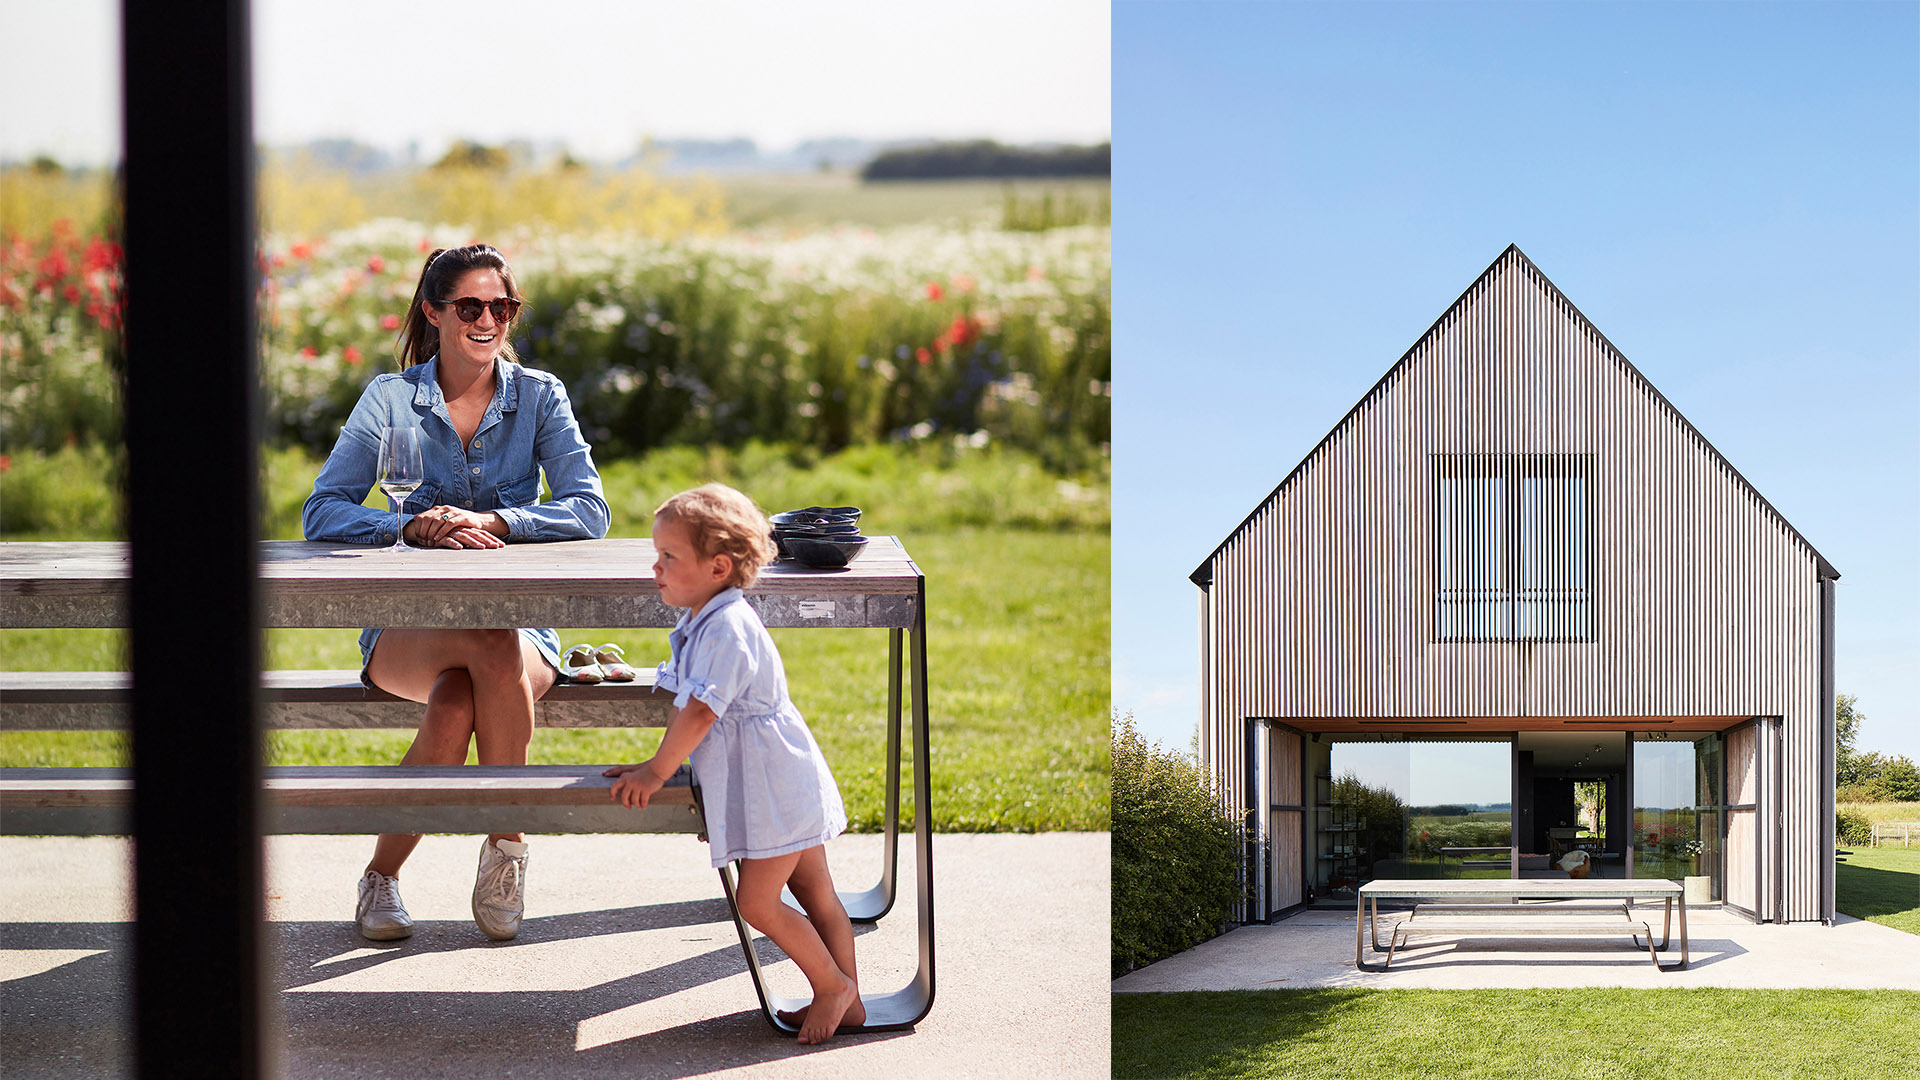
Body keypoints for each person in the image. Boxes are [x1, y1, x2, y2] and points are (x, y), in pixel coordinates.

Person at [302, 243, 610, 942]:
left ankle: (383, 879)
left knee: (461, 695)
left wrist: (496, 519)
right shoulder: (390, 398)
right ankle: (510, 844)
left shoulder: (540, 395)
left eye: (502, 307)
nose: (488, 320)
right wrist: (409, 527)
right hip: (406, 629)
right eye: (470, 306)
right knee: (482, 637)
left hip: (521, 634)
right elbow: (324, 511)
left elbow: (589, 509)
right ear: (434, 313)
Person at [603, 484, 862, 1045]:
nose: (656, 567)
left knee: (758, 902)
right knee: (817, 892)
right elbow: (692, 712)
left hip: (772, 785)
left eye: (669, 557)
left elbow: (699, 712)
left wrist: (655, 772)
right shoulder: (710, 618)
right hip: (778, 778)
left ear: (718, 566)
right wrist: (657, 760)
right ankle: (851, 998)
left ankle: (832, 986)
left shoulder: (725, 627)